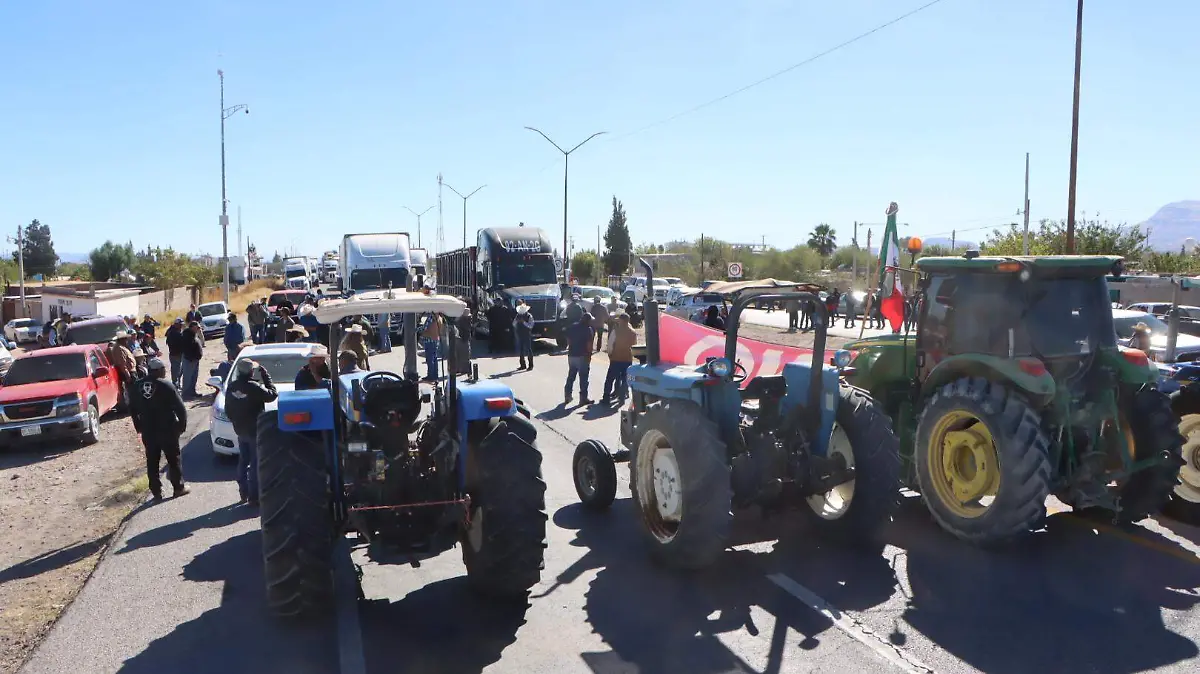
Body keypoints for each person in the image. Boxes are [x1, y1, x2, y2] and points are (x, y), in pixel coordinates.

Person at [129, 358, 189, 500]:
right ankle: (178, 488)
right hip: (167, 429)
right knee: (173, 459)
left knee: (152, 461)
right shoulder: (166, 385)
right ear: (159, 370)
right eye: (163, 369)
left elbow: (132, 409)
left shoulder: (136, 386)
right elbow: (180, 408)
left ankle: (156, 491)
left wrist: (139, 427)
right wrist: (182, 425)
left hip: (148, 430)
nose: (165, 372)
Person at [223, 358, 278, 505]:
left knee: (243, 461)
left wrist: (236, 421)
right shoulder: (254, 387)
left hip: (240, 429)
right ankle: (254, 496)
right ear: (251, 372)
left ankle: (243, 492)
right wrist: (266, 376)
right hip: (255, 430)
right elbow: (272, 395)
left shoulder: (232, 387)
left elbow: (228, 409)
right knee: (255, 463)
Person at [602, 314, 637, 404]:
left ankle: (606, 397)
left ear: (622, 321)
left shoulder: (616, 331)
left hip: (616, 358)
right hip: (627, 359)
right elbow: (634, 346)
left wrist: (610, 354)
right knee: (624, 379)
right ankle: (622, 397)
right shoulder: (633, 332)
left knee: (610, 378)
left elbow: (610, 345)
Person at [564, 311, 595, 405]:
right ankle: (583, 398)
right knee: (584, 378)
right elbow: (589, 345)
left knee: (571, 376)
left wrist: (572, 346)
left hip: (572, 355)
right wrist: (589, 356)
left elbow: (568, 339)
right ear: (588, 321)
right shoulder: (588, 330)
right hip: (582, 356)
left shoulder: (573, 326)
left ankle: (567, 395)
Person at [180, 321, 205, 399]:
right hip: (189, 360)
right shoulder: (186, 335)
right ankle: (185, 394)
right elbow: (186, 348)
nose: (198, 329)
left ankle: (192, 392)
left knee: (194, 377)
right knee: (187, 378)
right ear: (192, 327)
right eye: (197, 327)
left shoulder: (194, 334)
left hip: (195, 359)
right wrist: (190, 357)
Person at [419, 312, 443, 381]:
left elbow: (424, 328)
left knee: (429, 359)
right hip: (436, 339)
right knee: (434, 358)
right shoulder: (439, 318)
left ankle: (430, 376)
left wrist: (417, 329)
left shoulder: (431, 317)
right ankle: (435, 376)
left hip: (429, 340)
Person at [164, 318, 185, 387]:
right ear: (176, 324)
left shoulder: (175, 331)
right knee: (176, 370)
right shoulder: (173, 332)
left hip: (179, 353)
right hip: (175, 354)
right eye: (180, 325)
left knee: (179, 370)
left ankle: (177, 384)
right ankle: (175, 384)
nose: (181, 326)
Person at [514, 302, 535, 371]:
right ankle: (522, 365)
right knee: (521, 350)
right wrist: (517, 321)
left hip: (527, 334)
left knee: (528, 349)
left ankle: (531, 365)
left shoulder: (529, 316)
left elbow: (531, 325)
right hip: (520, 333)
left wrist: (523, 322)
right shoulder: (518, 316)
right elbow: (513, 324)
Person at [455, 309, 473, 377]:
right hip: (464, 339)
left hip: (459, 338)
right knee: (465, 355)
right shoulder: (465, 321)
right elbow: (467, 330)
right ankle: (465, 369)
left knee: (459, 354)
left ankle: (458, 368)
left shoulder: (459, 320)